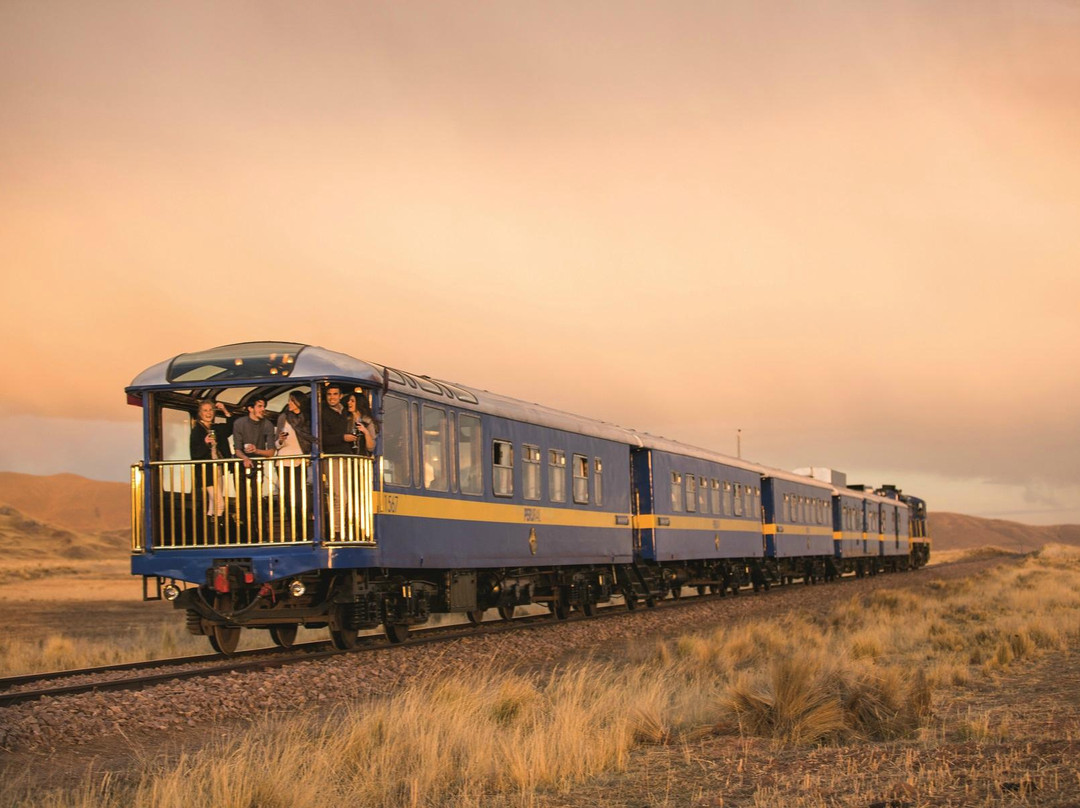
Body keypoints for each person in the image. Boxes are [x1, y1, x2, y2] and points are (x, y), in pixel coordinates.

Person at [232, 397, 276, 527]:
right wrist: (245, 458)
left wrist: (256, 451)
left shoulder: (267, 424)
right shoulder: (239, 423)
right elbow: (237, 449)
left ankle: (262, 531)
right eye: (260, 406)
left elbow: (271, 452)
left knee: (258, 498)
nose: (263, 409)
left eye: (263, 406)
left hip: (257, 464)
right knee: (242, 499)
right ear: (250, 408)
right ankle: (245, 531)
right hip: (240, 464)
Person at [189, 400, 232, 519]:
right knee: (220, 503)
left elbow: (231, 427)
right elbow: (195, 453)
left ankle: (209, 528)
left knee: (212, 505)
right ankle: (218, 531)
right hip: (206, 471)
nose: (209, 413)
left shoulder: (215, 428)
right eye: (205, 410)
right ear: (200, 413)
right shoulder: (197, 430)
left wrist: (224, 410)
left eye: (211, 410)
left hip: (217, 468)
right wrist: (205, 443)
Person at [276, 391, 313, 518]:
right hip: (283, 460)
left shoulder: (308, 419)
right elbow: (276, 443)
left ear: (299, 402)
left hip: (300, 460)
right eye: (289, 400)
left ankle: (302, 526)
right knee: (287, 496)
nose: (289, 403)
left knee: (299, 496)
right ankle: (293, 525)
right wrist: (280, 440)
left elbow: (311, 439)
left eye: (292, 400)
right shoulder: (283, 417)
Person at [345, 391, 377, 456]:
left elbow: (371, 448)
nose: (349, 403)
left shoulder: (367, 421)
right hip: (348, 458)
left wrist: (366, 432)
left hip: (362, 460)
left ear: (359, 403)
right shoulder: (347, 420)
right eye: (349, 400)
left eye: (352, 401)